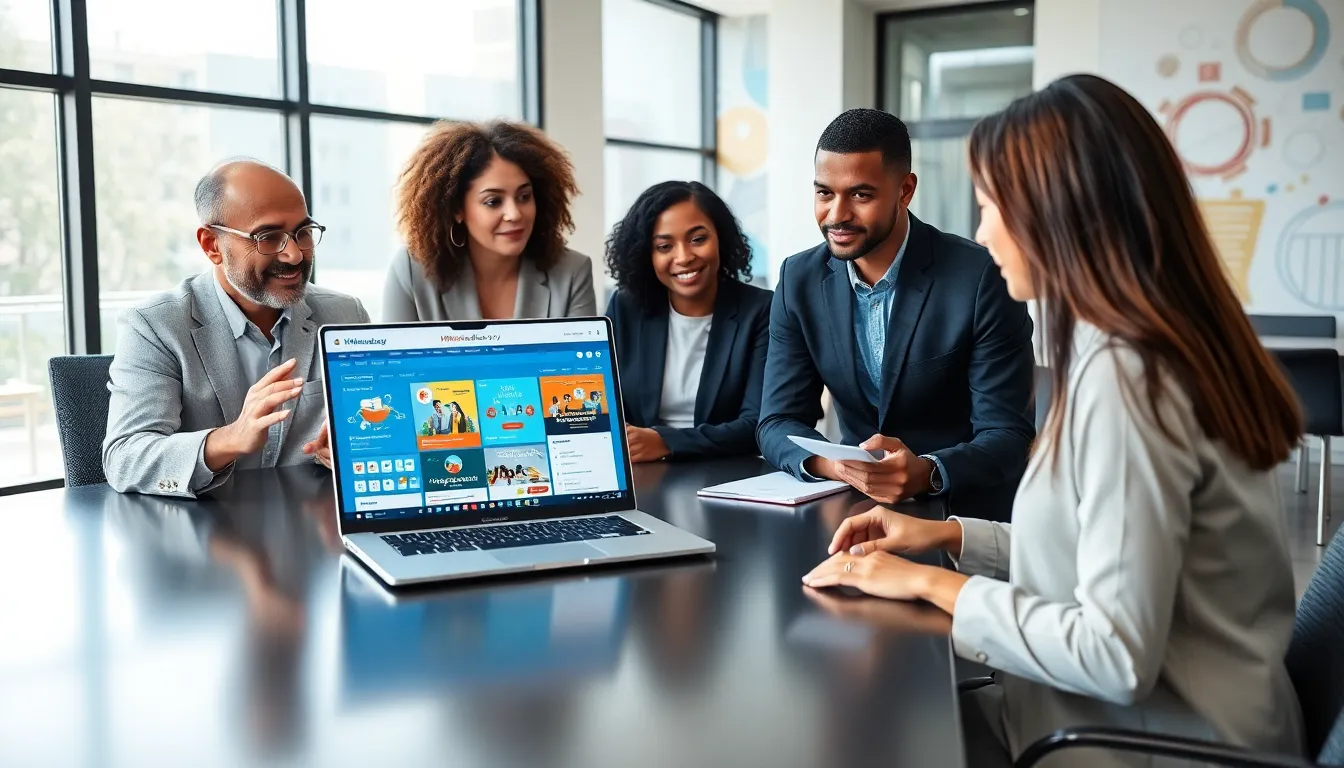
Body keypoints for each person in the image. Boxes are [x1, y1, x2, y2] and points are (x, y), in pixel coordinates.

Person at [802, 75, 1305, 766]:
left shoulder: (1132, 382)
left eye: (989, 207)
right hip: (1120, 715)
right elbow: (1093, 551)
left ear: (1058, 215)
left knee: (858, 733)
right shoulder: (1136, 347)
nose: (981, 233)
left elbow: (1114, 653)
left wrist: (927, 581)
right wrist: (947, 535)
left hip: (1151, 739)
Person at [756, 109, 1034, 509]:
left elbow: (1008, 434)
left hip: (959, 511)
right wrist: (838, 465)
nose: (836, 215)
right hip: (851, 506)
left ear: (905, 191)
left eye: (860, 195)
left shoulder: (981, 278)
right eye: (824, 193)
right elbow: (776, 421)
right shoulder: (798, 279)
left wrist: (928, 470)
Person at [104, 159, 370, 497]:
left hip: (315, 527)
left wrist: (355, 446)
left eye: (303, 233)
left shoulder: (345, 315)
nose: (294, 255)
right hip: (201, 533)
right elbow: (125, 459)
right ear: (212, 245)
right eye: (268, 237)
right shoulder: (155, 326)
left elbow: (378, 428)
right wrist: (230, 438)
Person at [605, 181, 772, 463]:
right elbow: (605, 404)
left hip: (728, 473)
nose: (683, 257)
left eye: (697, 239)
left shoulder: (762, 310)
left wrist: (665, 442)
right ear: (648, 254)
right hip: (641, 471)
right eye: (664, 246)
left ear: (721, 237)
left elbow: (759, 423)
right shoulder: (626, 308)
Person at [383, 120, 596, 321]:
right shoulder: (411, 272)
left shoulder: (573, 272)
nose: (514, 214)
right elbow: (391, 360)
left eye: (524, 197)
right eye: (493, 201)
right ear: (457, 208)